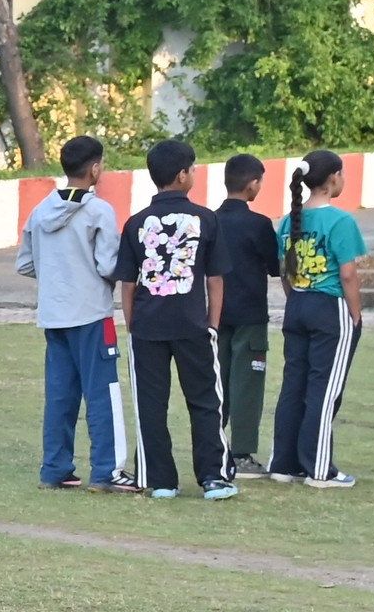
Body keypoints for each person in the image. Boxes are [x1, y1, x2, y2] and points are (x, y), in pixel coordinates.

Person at [113, 137, 231, 501]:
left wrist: (133, 324)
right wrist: (212, 324)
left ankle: (161, 480)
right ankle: (213, 477)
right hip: (193, 324)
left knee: (150, 404)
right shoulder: (206, 219)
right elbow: (215, 279)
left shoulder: (135, 223)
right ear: (182, 175)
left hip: (147, 326)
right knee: (205, 401)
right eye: (193, 168)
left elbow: (128, 284)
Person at [15, 136, 119, 490]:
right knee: (101, 394)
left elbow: (25, 263)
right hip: (92, 312)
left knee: (60, 395)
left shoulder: (40, 210)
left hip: (54, 313)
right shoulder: (99, 211)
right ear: (95, 168)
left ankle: (55, 468)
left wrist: (55, 274)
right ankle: (105, 470)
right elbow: (108, 265)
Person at [268, 149, 367, 488]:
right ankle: (319, 469)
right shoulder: (341, 221)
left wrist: (297, 297)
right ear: (334, 178)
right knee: (324, 389)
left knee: (294, 386)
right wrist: (356, 316)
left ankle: (284, 464)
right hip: (330, 308)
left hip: (297, 304)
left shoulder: (288, 220)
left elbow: (285, 271)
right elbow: (348, 275)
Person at [210, 154, 281, 475]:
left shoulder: (210, 220)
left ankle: (214, 446)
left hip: (216, 314)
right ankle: (241, 453)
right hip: (250, 317)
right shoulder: (259, 224)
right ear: (253, 184)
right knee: (247, 385)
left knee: (218, 383)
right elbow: (275, 267)